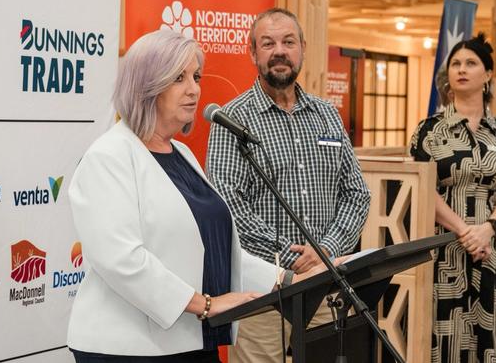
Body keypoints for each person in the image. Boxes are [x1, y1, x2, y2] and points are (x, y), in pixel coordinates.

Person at [66, 30, 334, 363]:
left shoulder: (181, 154)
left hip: (191, 340)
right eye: (178, 78)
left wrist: (290, 278)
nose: (194, 89)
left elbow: (216, 249)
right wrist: (204, 304)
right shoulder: (109, 156)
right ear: (145, 86)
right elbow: (121, 259)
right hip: (128, 348)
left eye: (195, 76)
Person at [206, 8, 371, 362]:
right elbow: (228, 204)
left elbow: (357, 193)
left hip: (326, 282)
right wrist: (293, 257)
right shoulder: (232, 119)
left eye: (288, 41)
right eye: (268, 43)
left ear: (303, 49)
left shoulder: (326, 114)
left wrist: (323, 250)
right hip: (263, 290)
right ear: (252, 53)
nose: (279, 50)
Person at [410, 33, 496, 362]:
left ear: (487, 75)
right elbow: (423, 188)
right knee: (446, 338)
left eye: (471, 63)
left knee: (493, 336)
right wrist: (465, 231)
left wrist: (487, 229)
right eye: (456, 63)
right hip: (445, 248)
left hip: (494, 250)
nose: (461, 69)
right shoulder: (429, 130)